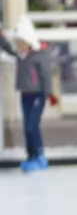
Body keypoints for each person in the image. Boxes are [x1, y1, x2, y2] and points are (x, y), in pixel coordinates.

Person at [0, 15, 58, 172]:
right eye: (17, 43)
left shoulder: (39, 56)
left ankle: (39, 154)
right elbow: (9, 50)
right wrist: (2, 38)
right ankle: (31, 155)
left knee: (33, 125)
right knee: (27, 127)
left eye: (21, 43)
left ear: (29, 42)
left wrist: (49, 94)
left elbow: (45, 75)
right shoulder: (20, 55)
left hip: (38, 94)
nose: (19, 46)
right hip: (25, 94)